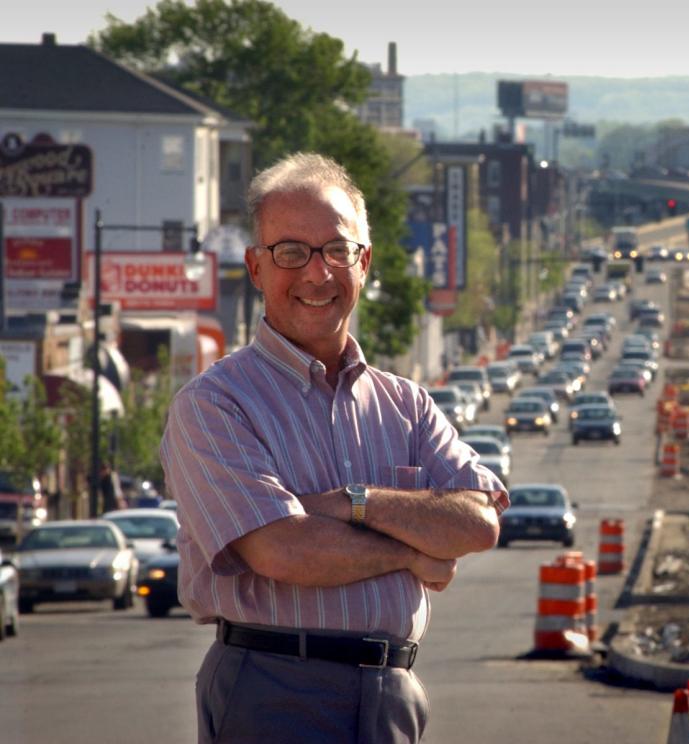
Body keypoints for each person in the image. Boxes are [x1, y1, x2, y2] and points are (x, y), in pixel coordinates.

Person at [160, 153, 507, 744]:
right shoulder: (214, 405)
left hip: (392, 692)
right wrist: (412, 551)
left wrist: (354, 502)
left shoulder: (407, 404)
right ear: (256, 268)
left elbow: (478, 522)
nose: (317, 274)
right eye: (291, 252)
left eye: (336, 250)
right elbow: (282, 551)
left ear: (364, 261)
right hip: (273, 688)